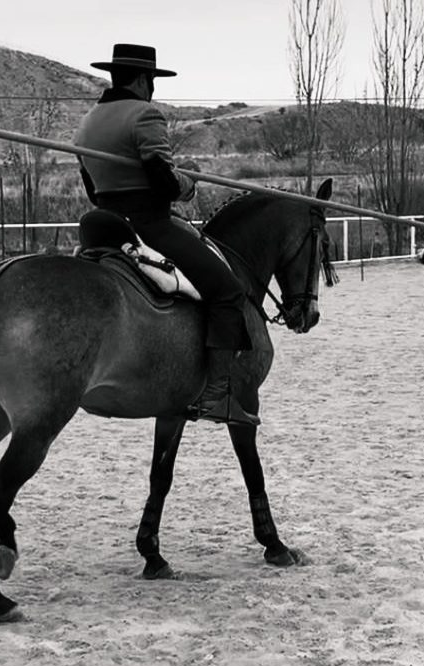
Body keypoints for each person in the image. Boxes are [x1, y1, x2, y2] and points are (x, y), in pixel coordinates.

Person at [74, 43, 258, 426]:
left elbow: (93, 190)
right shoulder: (145, 114)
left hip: (102, 223)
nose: (153, 89)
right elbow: (163, 184)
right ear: (142, 80)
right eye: (153, 81)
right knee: (228, 291)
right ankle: (217, 397)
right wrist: (187, 184)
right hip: (149, 226)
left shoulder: (88, 121)